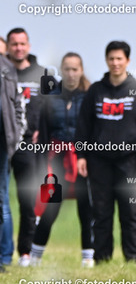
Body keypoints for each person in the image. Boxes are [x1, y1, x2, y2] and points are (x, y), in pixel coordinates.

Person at [75, 41, 136, 264]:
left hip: (130, 161)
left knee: (130, 212)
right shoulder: (95, 91)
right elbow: (83, 125)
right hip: (98, 161)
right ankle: (102, 259)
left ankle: (133, 258)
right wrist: (81, 155)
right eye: (111, 58)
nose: (115, 63)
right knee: (101, 212)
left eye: (119, 58)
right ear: (106, 60)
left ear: (127, 60)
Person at [30, 53, 94, 267]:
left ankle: (88, 258)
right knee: (50, 207)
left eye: (75, 69)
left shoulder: (90, 96)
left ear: (81, 70)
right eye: (67, 69)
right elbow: (43, 130)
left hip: (82, 160)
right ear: (61, 70)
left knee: (86, 209)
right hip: (56, 160)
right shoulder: (50, 96)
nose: (71, 74)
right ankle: (35, 256)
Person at [5, 28, 46, 267]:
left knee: (27, 199)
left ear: (28, 46)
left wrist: (43, 130)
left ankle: (25, 252)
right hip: (4, 142)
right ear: (8, 47)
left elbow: (57, 105)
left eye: (22, 44)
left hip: (29, 145)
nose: (18, 48)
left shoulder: (44, 73)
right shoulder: (3, 72)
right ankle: (4, 251)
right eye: (14, 44)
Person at [0, 53, 26, 272]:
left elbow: (18, 106)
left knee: (2, 200)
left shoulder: (7, 68)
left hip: (2, 144)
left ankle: (3, 257)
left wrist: (15, 136)